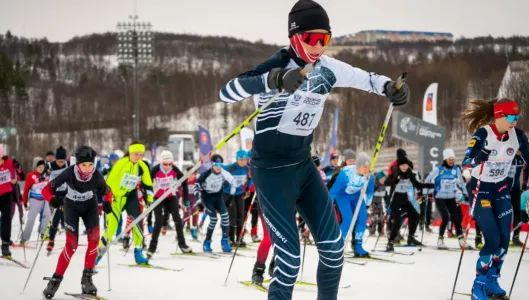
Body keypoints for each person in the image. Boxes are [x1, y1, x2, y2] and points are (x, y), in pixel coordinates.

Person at [218, 1, 410, 298]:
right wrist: (274, 79)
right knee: (290, 259)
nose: (319, 46)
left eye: (326, 39)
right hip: (270, 171)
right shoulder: (275, 66)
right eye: (312, 38)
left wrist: (389, 87)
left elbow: (367, 79)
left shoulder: (327, 68)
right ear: (295, 36)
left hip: (303, 166)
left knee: (334, 250)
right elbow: (227, 91)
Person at [460, 98, 529, 300]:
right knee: (492, 238)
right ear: (499, 116)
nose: (514, 121)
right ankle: (478, 286)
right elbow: (466, 162)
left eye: (517, 116)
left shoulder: (518, 136)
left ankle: (492, 279)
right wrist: (479, 157)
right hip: (480, 189)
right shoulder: (483, 134)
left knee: (504, 240)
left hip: (501, 188)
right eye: (510, 117)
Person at [41, 146, 112, 299]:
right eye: (84, 165)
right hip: (71, 206)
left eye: (91, 164)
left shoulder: (96, 175)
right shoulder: (68, 173)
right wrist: (52, 200)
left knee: (94, 240)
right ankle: (55, 281)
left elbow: (108, 191)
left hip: (90, 206)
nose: (88, 168)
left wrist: (108, 202)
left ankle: (87, 279)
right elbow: (46, 190)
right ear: (77, 164)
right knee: (71, 244)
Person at [96, 141, 154, 265]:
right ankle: (98, 254)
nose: (139, 157)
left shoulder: (142, 166)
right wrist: (106, 199)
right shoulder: (121, 164)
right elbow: (108, 184)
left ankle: (138, 252)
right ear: (131, 153)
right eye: (136, 154)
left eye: (141, 155)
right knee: (111, 227)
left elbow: (148, 184)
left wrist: (149, 199)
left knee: (138, 222)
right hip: (116, 198)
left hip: (130, 196)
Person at [329, 153, 374, 257]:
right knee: (348, 219)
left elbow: (370, 191)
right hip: (343, 195)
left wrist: (367, 204)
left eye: (369, 167)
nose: (367, 169)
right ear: (358, 166)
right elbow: (334, 190)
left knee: (363, 218)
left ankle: (358, 246)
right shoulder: (346, 172)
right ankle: (337, 246)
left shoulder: (368, 176)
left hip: (356, 196)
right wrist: (329, 204)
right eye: (365, 167)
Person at [147, 150, 191, 257]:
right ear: (161, 162)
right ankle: (152, 248)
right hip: (158, 198)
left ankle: (182, 244)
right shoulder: (155, 170)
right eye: (165, 164)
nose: (167, 166)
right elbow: (147, 183)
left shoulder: (174, 169)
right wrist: (147, 198)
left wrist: (186, 198)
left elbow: (184, 182)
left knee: (177, 219)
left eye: (170, 164)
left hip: (170, 196)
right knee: (159, 221)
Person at [384, 157, 433, 251]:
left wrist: (429, 185)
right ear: (399, 166)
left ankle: (410, 237)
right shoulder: (395, 172)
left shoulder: (409, 174)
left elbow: (417, 185)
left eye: (406, 165)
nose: (404, 167)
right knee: (397, 220)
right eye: (402, 165)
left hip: (404, 199)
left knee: (415, 216)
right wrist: (394, 181)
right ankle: (390, 242)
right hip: (395, 200)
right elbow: (386, 183)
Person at [194, 154, 238, 253]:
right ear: (212, 164)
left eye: (220, 165)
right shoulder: (206, 174)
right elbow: (196, 186)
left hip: (218, 198)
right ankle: (207, 242)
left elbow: (234, 182)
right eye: (216, 164)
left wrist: (231, 196)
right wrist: (199, 200)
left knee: (225, 217)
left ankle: (225, 242)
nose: (218, 167)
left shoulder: (223, 173)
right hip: (207, 198)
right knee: (213, 219)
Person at [425, 149, 468, 249]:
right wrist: (429, 187)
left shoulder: (456, 170)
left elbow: (461, 183)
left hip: (451, 197)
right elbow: (428, 179)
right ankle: (440, 240)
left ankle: (461, 240)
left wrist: (465, 193)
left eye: (453, 159)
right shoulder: (438, 169)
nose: (451, 161)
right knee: (445, 218)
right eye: (449, 159)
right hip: (440, 197)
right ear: (445, 159)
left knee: (456, 218)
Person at [223, 149, 252, 247]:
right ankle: (230, 239)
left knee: (241, 215)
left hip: (239, 193)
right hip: (229, 194)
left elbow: (250, 178)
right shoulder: (230, 168)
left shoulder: (247, 169)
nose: (244, 162)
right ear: (237, 159)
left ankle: (240, 238)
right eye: (242, 160)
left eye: (245, 160)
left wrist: (247, 189)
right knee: (233, 215)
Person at [44, 146, 70, 252]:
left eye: (62, 161)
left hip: (65, 193)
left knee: (68, 218)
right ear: (55, 159)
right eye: (59, 161)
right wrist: (46, 173)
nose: (61, 164)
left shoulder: (68, 164)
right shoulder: (50, 165)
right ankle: (51, 240)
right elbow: (41, 175)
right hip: (54, 195)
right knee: (55, 218)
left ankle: (70, 240)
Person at [20, 160, 50, 245]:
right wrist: (25, 202)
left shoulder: (47, 174)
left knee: (47, 215)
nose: (41, 169)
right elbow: (26, 189)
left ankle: (43, 232)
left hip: (45, 199)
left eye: (43, 167)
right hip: (34, 199)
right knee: (31, 218)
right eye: (39, 167)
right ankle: (25, 238)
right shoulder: (31, 175)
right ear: (35, 167)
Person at [506, 151, 525, 247]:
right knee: (506, 213)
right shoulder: (507, 156)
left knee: (519, 212)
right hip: (505, 189)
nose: (519, 151)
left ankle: (516, 236)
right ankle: (505, 237)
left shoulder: (522, 158)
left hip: (516, 190)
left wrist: (525, 184)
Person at [0, 154, 16, 257]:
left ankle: (5, 244)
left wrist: (14, 177)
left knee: (6, 218)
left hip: (6, 194)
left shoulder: (9, 162)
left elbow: (14, 173)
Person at [368, 171, 387, 236]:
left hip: (379, 202)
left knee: (381, 217)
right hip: (372, 203)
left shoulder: (384, 185)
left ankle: (381, 231)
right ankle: (372, 231)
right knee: (374, 217)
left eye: (384, 179)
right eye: (381, 179)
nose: (383, 180)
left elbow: (385, 195)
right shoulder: (374, 185)